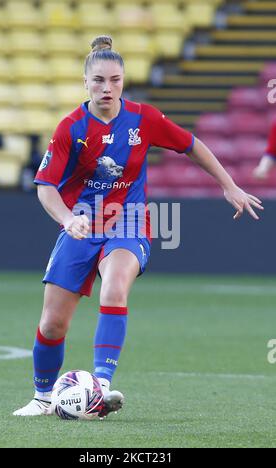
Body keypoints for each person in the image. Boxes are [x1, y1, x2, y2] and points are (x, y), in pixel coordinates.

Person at [13, 35, 263, 417]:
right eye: (98, 80)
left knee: (114, 289)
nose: (107, 88)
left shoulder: (144, 118)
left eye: (114, 80)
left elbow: (191, 144)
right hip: (81, 224)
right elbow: (46, 187)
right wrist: (68, 219)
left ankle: (102, 386)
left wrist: (229, 185)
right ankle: (42, 397)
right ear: (85, 82)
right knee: (51, 324)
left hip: (128, 221)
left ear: (124, 81)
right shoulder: (70, 128)